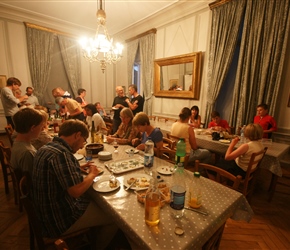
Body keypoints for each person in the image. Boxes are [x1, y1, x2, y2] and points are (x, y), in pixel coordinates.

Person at [31, 120, 118, 248]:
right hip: (58, 221)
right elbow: (76, 191)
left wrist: (75, 166)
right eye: (83, 140)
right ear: (77, 135)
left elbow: (56, 171)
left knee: (94, 200)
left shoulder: (47, 147)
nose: (83, 146)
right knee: (114, 218)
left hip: (45, 215)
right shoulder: (62, 154)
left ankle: (91, 233)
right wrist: (92, 175)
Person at [10, 108, 43, 175]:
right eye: (40, 126)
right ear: (32, 128)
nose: (42, 129)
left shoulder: (17, 142)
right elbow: (32, 180)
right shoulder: (27, 153)